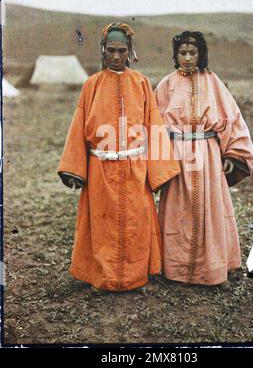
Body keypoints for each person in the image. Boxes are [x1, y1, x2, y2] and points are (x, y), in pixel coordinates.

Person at [57, 22, 180, 292]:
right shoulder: (91, 85)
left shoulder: (141, 83)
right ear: (103, 51)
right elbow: (78, 126)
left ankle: (137, 277)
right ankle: (103, 278)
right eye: (110, 50)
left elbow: (153, 126)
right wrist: (73, 169)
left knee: (137, 222)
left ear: (130, 52)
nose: (115, 56)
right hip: (100, 169)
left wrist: (160, 171)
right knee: (102, 226)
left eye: (121, 50)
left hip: (135, 168)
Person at [154, 31, 253, 285]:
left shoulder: (214, 83)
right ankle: (175, 270)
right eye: (182, 53)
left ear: (201, 55)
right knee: (178, 210)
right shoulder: (166, 85)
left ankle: (213, 269)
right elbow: (154, 124)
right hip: (177, 155)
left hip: (208, 155)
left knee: (209, 209)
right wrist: (160, 160)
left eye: (193, 53)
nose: (187, 58)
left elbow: (232, 118)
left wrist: (232, 152)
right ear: (175, 56)